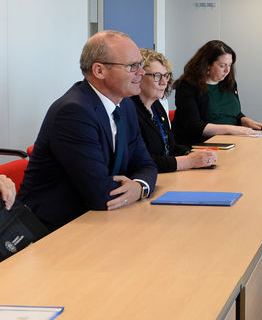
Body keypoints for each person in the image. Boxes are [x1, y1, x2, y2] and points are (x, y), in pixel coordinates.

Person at [18, 31, 158, 231]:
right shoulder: (73, 112)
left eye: (141, 64)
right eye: (132, 66)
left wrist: (139, 186)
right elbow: (99, 192)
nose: (142, 73)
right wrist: (135, 190)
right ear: (99, 70)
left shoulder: (125, 105)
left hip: (98, 220)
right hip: (53, 229)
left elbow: (146, 164)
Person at [172, 40, 262, 146]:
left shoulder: (230, 83)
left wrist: (244, 120)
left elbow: (234, 113)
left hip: (232, 141)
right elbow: (194, 126)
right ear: (207, 64)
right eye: (222, 66)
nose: (227, 70)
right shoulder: (188, 86)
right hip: (201, 145)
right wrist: (232, 129)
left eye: (229, 65)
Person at [131, 49, 217, 172]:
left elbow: (170, 148)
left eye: (166, 76)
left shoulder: (156, 106)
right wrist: (189, 161)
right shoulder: (129, 110)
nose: (164, 82)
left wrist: (195, 153)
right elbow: (141, 160)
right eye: (157, 76)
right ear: (139, 77)